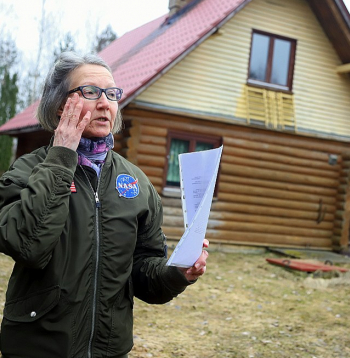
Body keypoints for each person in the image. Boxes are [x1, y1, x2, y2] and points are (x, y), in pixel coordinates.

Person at [0, 52, 209, 358]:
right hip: (38, 347)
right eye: (90, 92)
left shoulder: (136, 183)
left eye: (111, 94)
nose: (104, 103)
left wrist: (177, 271)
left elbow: (144, 272)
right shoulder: (27, 171)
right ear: (60, 106)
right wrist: (61, 157)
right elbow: (28, 245)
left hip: (109, 349)